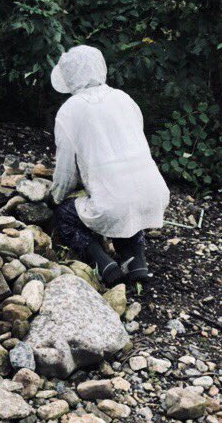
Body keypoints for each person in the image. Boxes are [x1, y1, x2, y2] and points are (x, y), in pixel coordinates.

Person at [50, 45, 169, 287]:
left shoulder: (69, 111)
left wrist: (55, 198)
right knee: (127, 206)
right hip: (153, 194)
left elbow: (65, 174)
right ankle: (136, 263)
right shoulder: (124, 99)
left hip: (114, 202)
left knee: (66, 214)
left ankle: (104, 265)